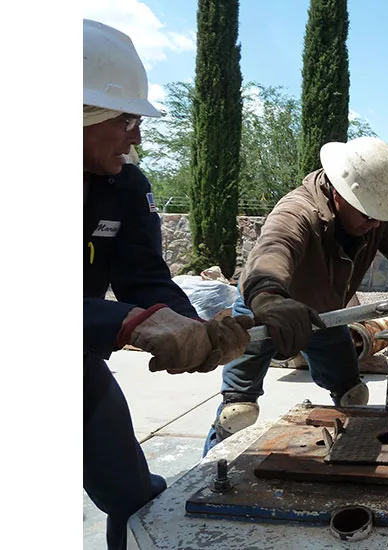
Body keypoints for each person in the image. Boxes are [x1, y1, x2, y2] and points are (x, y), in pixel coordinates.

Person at [202, 137, 388, 455]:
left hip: (327, 315)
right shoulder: (298, 211)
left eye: (378, 216)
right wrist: (270, 298)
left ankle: (350, 457)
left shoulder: (378, 220)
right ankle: (208, 474)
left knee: (352, 395)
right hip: (265, 307)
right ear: (339, 190)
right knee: (238, 413)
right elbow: (273, 250)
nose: (372, 223)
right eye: (366, 214)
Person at [83, 20, 253, 550]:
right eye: (127, 118)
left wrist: (196, 327)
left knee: (133, 495)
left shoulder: (125, 186)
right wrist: (127, 322)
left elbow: (144, 276)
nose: (137, 135)